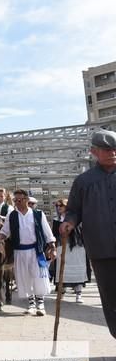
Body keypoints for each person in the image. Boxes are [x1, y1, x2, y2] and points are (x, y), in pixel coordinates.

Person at [60, 129, 116, 339]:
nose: (112, 152)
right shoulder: (83, 181)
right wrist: (68, 223)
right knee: (111, 301)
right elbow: (74, 210)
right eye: (106, 149)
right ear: (94, 151)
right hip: (101, 251)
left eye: (114, 148)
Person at [0, 189, 56, 316]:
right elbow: (5, 231)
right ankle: (31, 304)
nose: (17, 202)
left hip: (36, 251)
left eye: (19, 199)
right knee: (25, 278)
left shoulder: (38, 214)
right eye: (15, 200)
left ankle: (41, 304)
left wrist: (53, 247)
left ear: (26, 200)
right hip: (20, 251)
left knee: (38, 276)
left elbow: (47, 232)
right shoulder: (11, 215)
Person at [53, 199, 87, 303]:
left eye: (61, 205)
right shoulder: (56, 220)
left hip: (76, 247)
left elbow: (81, 232)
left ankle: (78, 294)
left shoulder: (76, 219)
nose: (59, 208)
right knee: (62, 271)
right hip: (61, 248)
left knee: (77, 270)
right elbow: (54, 235)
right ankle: (61, 293)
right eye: (57, 206)